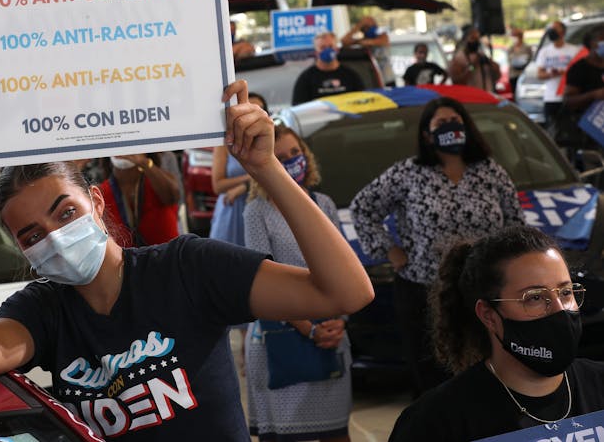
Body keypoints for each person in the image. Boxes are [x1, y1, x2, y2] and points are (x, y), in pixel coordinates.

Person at [0, 80, 375, 441]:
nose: (57, 238)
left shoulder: (187, 268)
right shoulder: (44, 310)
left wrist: (266, 169)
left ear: (97, 204)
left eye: (66, 213)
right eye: (32, 235)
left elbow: (346, 291)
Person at [350, 96, 524, 399]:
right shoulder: (408, 173)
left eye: (456, 121)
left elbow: (514, 222)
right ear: (427, 135)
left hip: (482, 292)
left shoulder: (490, 171)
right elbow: (362, 207)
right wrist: (391, 251)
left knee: (488, 379)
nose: (451, 127)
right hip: (424, 292)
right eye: (441, 123)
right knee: (435, 385)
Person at [389, 226, 604, 441]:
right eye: (534, 298)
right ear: (489, 315)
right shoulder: (436, 422)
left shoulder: (598, 385)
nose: (560, 309)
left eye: (566, 293)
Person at [244, 125, 352, 442]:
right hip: (280, 338)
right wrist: (310, 328)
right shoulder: (257, 212)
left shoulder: (325, 204)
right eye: (281, 157)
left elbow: (346, 272)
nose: (292, 161)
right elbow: (261, 282)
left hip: (330, 334)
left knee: (336, 432)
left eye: (295, 153)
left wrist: (336, 323)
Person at [209, 92, 268, 246]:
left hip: (263, 208)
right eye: (249, 109)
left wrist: (244, 186)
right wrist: (248, 180)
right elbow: (218, 185)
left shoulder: (269, 142)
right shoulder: (225, 143)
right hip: (232, 211)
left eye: (259, 110)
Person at [98, 153, 180, 247]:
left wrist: (145, 163)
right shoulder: (101, 192)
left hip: (167, 257)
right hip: (126, 260)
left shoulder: (157, 180)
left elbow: (172, 198)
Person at [562, 24, 604, 161]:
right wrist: (593, 95)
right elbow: (568, 101)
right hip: (588, 135)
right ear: (592, 43)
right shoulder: (579, 68)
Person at [536, 21, 580, 143]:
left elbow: (579, 74)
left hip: (569, 98)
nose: (552, 30)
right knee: (552, 134)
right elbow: (539, 74)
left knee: (571, 132)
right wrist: (551, 74)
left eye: (555, 28)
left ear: (563, 32)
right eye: (550, 28)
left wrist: (565, 73)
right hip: (551, 98)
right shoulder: (544, 52)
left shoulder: (574, 51)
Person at [291, 32, 364, 105]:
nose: (327, 50)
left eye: (330, 46)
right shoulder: (306, 78)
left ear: (337, 50)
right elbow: (298, 108)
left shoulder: (351, 75)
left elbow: (363, 103)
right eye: (323, 48)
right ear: (316, 52)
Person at [341, 16, 396, 87]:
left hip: (388, 79)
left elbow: (372, 42)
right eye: (366, 27)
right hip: (372, 80)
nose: (370, 28)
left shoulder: (383, 37)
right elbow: (344, 41)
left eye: (372, 25)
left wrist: (361, 41)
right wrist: (358, 26)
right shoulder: (362, 40)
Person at [448, 25, 501, 92]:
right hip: (470, 98)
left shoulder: (482, 56)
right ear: (465, 39)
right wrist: (472, 67)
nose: (476, 41)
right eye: (473, 38)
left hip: (487, 96)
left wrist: (493, 66)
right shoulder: (458, 58)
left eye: (478, 38)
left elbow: (497, 76)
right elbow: (456, 81)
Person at [508, 27, 533, 96]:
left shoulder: (527, 47)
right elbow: (510, 60)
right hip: (513, 75)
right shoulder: (511, 48)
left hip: (523, 75)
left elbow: (529, 60)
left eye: (515, 36)